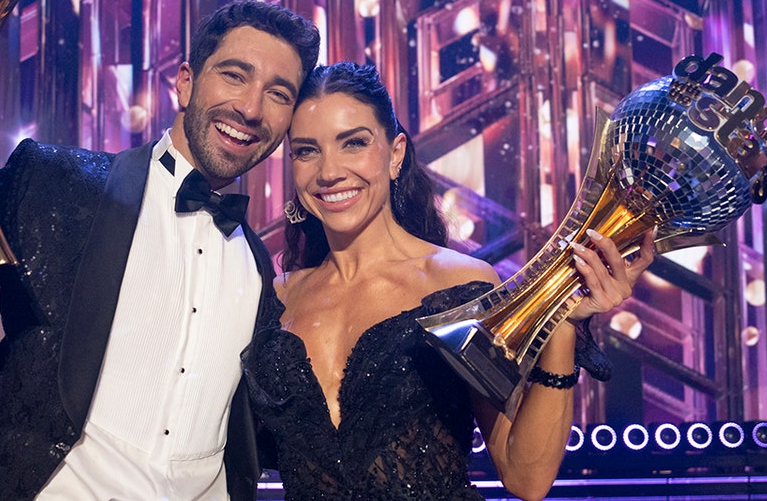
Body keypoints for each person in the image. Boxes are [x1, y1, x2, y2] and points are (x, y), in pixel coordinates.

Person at [0, 0, 321, 501]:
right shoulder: (52, 183)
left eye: (278, 93)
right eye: (234, 75)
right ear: (184, 83)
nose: (250, 107)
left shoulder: (260, 266)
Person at [243, 62, 655, 500]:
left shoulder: (457, 283)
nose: (329, 171)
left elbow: (526, 477)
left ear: (395, 152)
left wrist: (565, 322)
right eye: (307, 150)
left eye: (354, 143)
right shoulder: (277, 296)